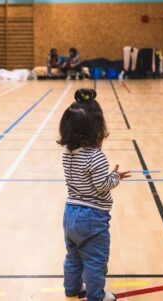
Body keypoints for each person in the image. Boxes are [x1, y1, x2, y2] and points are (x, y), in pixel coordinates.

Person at [59, 89, 129, 301]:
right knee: (95, 261)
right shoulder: (96, 157)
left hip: (70, 213)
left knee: (73, 257)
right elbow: (101, 186)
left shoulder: (68, 153)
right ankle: (96, 296)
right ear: (97, 129)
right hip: (92, 217)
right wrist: (115, 177)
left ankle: (72, 289)